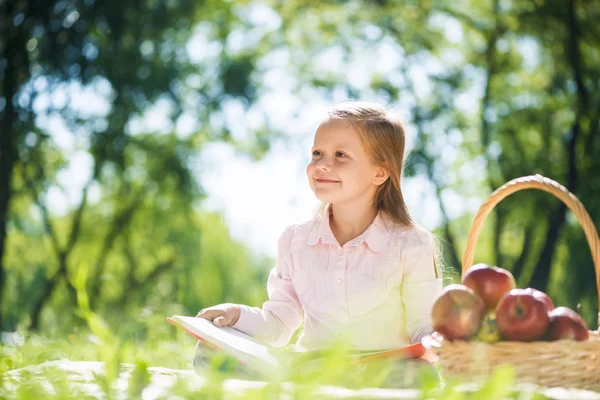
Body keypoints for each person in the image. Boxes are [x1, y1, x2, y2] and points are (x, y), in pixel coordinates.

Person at [194, 101, 443, 387]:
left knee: (419, 375)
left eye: (340, 155)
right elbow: (278, 322)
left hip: (382, 370)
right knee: (209, 353)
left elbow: (422, 327)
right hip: (311, 368)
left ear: (379, 172)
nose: (322, 164)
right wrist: (235, 314)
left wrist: (442, 340)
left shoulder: (411, 243)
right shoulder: (295, 240)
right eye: (317, 153)